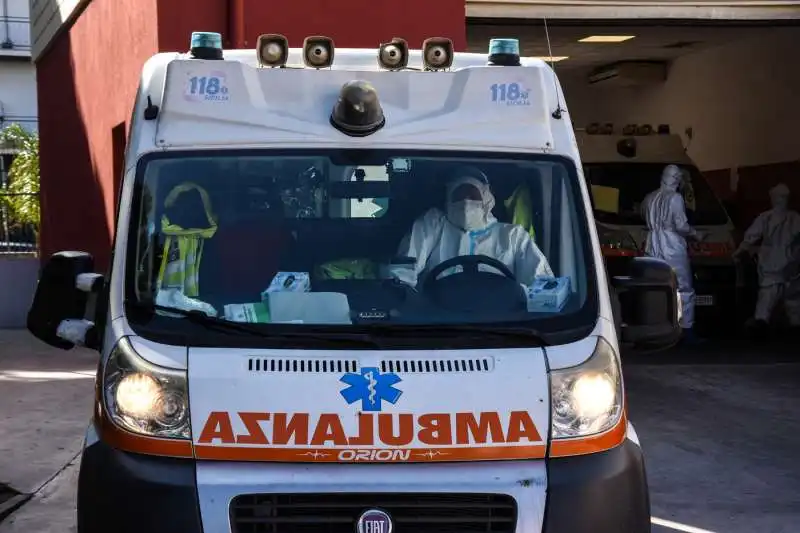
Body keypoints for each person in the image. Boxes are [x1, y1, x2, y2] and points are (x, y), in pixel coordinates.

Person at [393, 166, 553, 287]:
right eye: (459, 196)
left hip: (500, 322)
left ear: (486, 200)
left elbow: (540, 281)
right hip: (437, 321)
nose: (466, 202)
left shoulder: (512, 236)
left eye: (473, 195)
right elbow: (402, 272)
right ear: (449, 199)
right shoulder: (433, 225)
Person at [641, 164, 703, 343]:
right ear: (677, 179)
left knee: (655, 287)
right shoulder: (675, 198)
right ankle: (686, 329)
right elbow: (681, 226)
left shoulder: (649, 197)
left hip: (652, 244)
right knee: (683, 287)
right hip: (672, 246)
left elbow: (642, 216)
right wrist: (696, 234)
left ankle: (655, 327)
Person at [733, 183, 800, 330]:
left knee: (767, 299)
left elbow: (750, 238)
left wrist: (738, 254)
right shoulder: (795, 218)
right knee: (793, 300)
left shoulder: (766, 218)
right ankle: (795, 326)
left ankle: (761, 325)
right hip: (791, 267)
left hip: (772, 267)